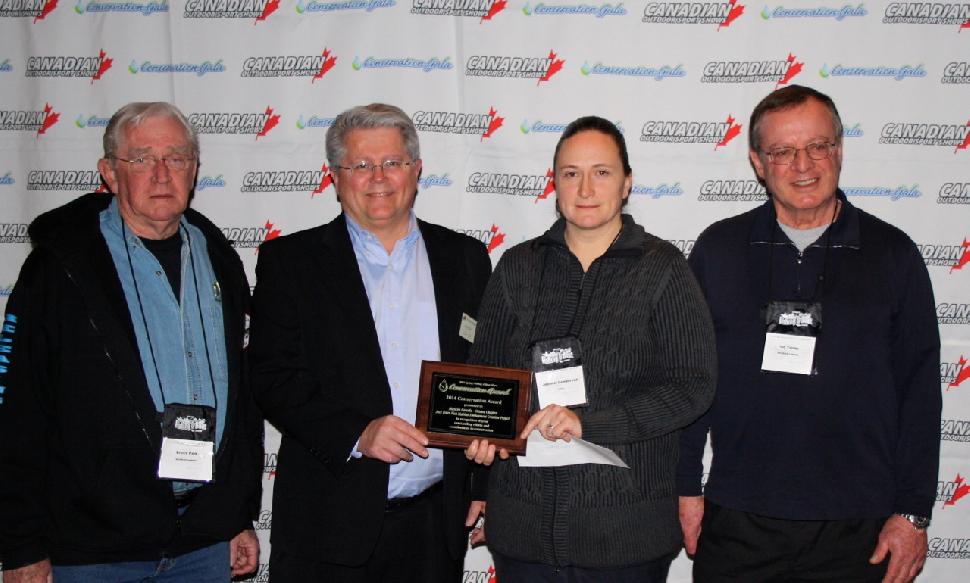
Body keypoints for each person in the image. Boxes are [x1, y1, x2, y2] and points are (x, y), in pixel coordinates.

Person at [678, 85, 941, 582]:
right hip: (738, 520)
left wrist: (912, 513)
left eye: (818, 146)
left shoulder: (893, 254)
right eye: (782, 151)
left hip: (860, 529)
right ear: (758, 162)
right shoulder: (720, 250)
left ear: (839, 150)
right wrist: (686, 487)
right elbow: (691, 380)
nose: (804, 164)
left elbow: (920, 394)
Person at [0, 102, 262, 582]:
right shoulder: (61, 269)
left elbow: (242, 399)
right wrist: (20, 546)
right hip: (93, 550)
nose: (161, 174)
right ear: (110, 173)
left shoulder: (219, 256)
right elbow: (19, 410)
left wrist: (235, 513)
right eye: (141, 159)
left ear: (195, 169)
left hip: (201, 543)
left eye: (177, 158)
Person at [464, 116, 717, 582]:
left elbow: (692, 388)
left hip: (625, 539)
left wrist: (589, 423)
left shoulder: (663, 269)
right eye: (570, 173)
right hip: (522, 537)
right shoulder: (517, 266)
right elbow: (485, 379)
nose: (585, 188)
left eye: (601, 172)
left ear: (627, 184)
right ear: (554, 183)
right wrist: (481, 435)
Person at [248, 103, 491, 582]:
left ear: (416, 170)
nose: (378, 177)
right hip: (326, 527)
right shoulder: (290, 262)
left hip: (432, 529)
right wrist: (357, 433)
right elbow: (271, 378)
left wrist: (484, 479)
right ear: (335, 176)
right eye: (361, 165)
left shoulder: (464, 258)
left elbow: (482, 372)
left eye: (393, 162)